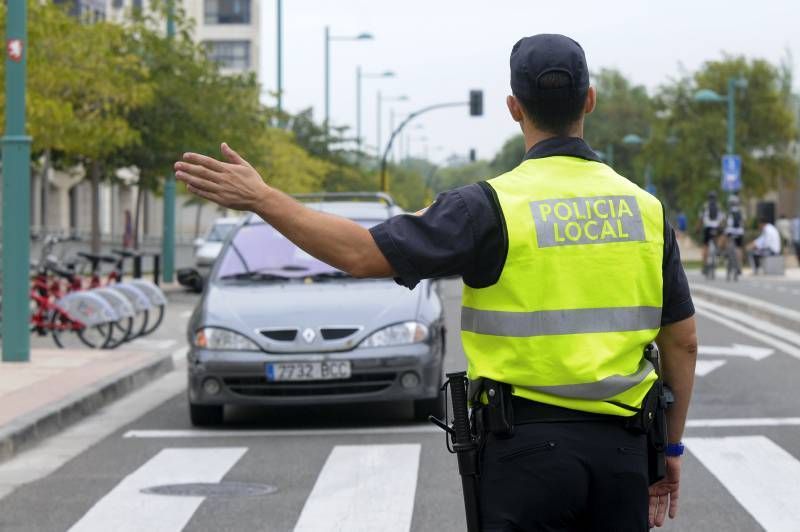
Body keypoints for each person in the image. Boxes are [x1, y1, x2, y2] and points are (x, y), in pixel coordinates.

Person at [174, 33, 697, 531]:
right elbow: (683, 341)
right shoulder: (645, 211)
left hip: (525, 453)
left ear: (514, 107)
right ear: (590, 100)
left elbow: (360, 254)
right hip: (624, 452)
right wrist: (669, 449)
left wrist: (263, 198)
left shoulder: (487, 208)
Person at [699, 191, 724, 273]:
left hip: (707, 228)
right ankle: (718, 251)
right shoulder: (718, 206)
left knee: (705, 246)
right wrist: (720, 225)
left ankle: (705, 266)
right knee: (719, 238)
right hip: (716, 227)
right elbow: (722, 218)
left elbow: (701, 218)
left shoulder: (705, 206)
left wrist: (698, 228)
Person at [722, 195, 745, 274]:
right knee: (739, 248)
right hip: (739, 232)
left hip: (730, 231)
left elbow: (725, 222)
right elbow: (743, 222)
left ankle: (726, 254)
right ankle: (739, 266)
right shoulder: (740, 211)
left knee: (727, 241)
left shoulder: (728, 211)